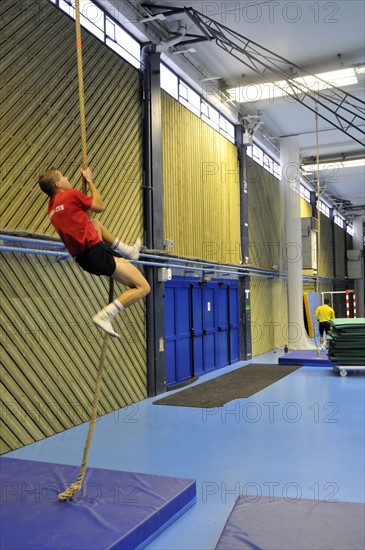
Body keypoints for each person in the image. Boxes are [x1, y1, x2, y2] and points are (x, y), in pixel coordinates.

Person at [39, 166, 150, 338]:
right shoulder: (70, 194)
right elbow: (100, 206)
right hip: (95, 252)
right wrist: (90, 181)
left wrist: (84, 205)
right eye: (63, 176)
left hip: (84, 259)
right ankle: (105, 316)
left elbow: (86, 221)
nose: (67, 178)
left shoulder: (51, 209)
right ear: (57, 183)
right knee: (143, 287)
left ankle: (128, 251)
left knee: (96, 224)